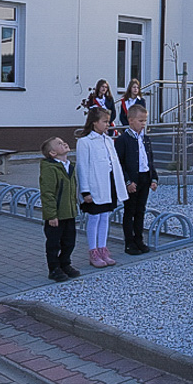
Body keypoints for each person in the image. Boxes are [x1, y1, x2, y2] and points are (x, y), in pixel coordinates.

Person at [76, 107, 128, 268]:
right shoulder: (85, 142)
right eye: (104, 121)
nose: (108, 124)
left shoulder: (108, 140)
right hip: (94, 185)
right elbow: (82, 167)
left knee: (105, 216)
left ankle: (102, 248)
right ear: (94, 123)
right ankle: (93, 251)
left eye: (108, 121)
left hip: (108, 184)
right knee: (95, 217)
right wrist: (85, 190)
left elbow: (115, 163)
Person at [115, 104, 158, 255]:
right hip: (132, 180)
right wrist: (127, 181)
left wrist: (153, 178)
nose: (143, 124)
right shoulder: (123, 140)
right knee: (130, 211)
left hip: (144, 178)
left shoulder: (145, 139)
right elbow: (119, 163)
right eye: (140, 120)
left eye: (145, 121)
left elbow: (150, 160)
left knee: (141, 210)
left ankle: (139, 239)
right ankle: (129, 242)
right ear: (131, 120)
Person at [39, 137, 79, 282]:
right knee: (54, 243)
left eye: (64, 141)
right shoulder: (50, 169)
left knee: (69, 241)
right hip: (56, 215)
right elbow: (48, 193)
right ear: (53, 153)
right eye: (59, 144)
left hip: (69, 213)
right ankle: (54, 268)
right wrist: (51, 215)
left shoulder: (69, 166)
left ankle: (65, 263)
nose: (64, 143)